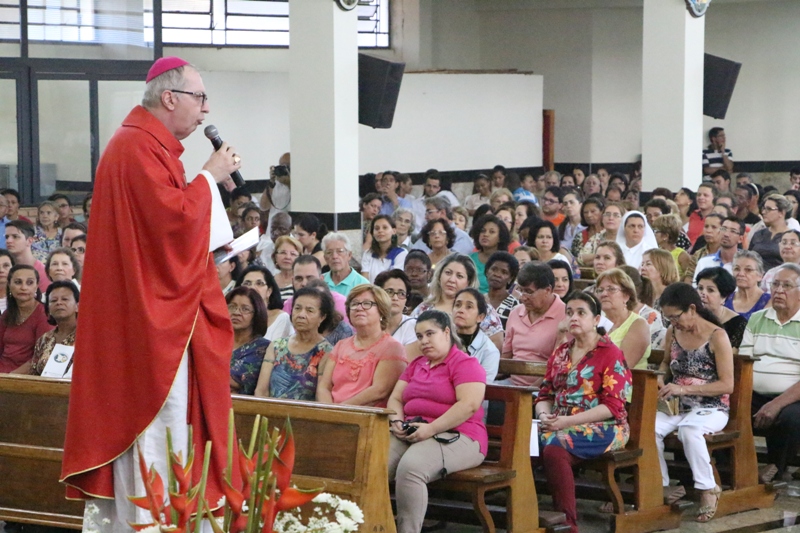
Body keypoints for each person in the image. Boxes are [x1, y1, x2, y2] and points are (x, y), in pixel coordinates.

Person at [61, 58, 243, 521]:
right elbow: (172, 224)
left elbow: (164, 233)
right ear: (170, 98)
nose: (205, 111)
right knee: (160, 425)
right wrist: (208, 176)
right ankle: (155, 524)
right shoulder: (138, 148)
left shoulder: (140, 145)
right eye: (199, 98)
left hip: (143, 309)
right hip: (150, 324)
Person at [534, 291, 632, 533]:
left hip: (607, 426)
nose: (573, 318)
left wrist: (566, 422)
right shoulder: (561, 352)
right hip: (558, 421)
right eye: (569, 313)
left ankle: (567, 524)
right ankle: (526, 515)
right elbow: (545, 394)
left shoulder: (610, 354)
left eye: (581, 313)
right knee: (521, 443)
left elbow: (612, 407)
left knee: (556, 448)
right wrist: (545, 414)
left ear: (596, 319)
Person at [387, 309, 487, 533]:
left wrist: (431, 429)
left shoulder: (465, 364)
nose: (424, 341)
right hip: (412, 431)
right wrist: (396, 422)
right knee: (373, 463)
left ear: (446, 332)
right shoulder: (416, 365)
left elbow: (468, 405)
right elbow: (395, 398)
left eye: (430, 334)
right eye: (419, 336)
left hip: (460, 435)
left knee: (411, 469)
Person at [655, 283, 733, 522]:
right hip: (677, 404)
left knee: (689, 432)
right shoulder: (673, 332)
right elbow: (666, 363)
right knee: (647, 429)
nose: (672, 322)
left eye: (675, 317)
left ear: (691, 309)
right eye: (667, 318)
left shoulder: (716, 336)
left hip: (712, 405)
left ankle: (708, 488)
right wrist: (660, 377)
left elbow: (727, 384)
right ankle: (660, 486)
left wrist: (683, 387)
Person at [740, 264, 800, 483]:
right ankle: (733, 468)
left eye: (787, 285)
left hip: (793, 397)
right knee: (725, 410)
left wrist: (776, 404)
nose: (779, 291)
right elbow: (744, 364)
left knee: (790, 418)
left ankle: (777, 468)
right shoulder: (757, 319)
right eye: (775, 284)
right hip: (754, 392)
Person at [317, 284, 407, 406]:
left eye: (367, 303)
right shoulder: (341, 345)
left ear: (381, 311)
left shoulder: (392, 348)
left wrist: (341, 411)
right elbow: (324, 386)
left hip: (367, 418)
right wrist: (329, 412)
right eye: (354, 304)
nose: (359, 308)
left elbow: (379, 391)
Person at [410, 254, 505, 353]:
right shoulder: (423, 309)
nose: (451, 280)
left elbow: (496, 343)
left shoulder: (483, 309)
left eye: (459, 276)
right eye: (448, 273)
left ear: (468, 282)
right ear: (439, 276)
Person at [254, 286, 335, 400]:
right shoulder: (277, 346)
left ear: (322, 317)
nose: (301, 315)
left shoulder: (326, 351)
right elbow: (261, 390)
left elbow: (321, 395)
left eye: (309, 310)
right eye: (297, 308)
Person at [501, 261, 566, 386]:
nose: (523, 297)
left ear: (548, 290)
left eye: (529, 292)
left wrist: (529, 392)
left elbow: (560, 365)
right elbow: (506, 359)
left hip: (547, 387)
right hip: (511, 384)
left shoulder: (565, 316)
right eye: (520, 290)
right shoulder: (515, 313)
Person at [0, 264, 53, 373]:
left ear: (37, 285)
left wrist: (9, 378)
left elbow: (40, 357)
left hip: (23, 379)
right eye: (18, 282)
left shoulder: (44, 315)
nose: (24, 287)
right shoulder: (7, 314)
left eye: (29, 283)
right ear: (9, 285)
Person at [596, 268, 650, 369]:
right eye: (600, 290)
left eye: (611, 289)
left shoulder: (639, 325)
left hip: (625, 382)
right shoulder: (596, 322)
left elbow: (621, 367)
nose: (603, 294)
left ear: (626, 296)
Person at [29, 280, 79, 376]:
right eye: (53, 300)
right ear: (49, 309)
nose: (59, 303)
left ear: (77, 306)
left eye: (65, 299)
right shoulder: (44, 339)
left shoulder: (87, 338)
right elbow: (33, 375)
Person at [227, 287, 270, 395]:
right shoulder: (215, 341)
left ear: (256, 314)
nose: (237, 312)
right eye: (232, 307)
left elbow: (236, 380)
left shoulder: (263, 348)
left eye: (245, 309)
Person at [453, 288, 500, 381]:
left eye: (469, 307)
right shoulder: (443, 340)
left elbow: (484, 386)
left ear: (480, 317)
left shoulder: (489, 351)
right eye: (457, 305)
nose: (460, 310)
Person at [236, 265, 292, 341]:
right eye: (247, 283)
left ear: (269, 291)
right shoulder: (234, 316)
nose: (252, 288)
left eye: (259, 283)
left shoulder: (280, 318)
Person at [696, 267, 747, 350]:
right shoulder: (689, 317)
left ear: (724, 297)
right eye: (700, 288)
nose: (703, 294)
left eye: (710, 290)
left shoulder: (738, 325)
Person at [375, 269, 421, 360]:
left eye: (401, 293)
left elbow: (406, 364)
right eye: (389, 292)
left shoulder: (414, 326)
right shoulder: (371, 324)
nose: (395, 298)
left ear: (406, 299)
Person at [620, 265, 665, 350]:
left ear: (628, 291)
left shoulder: (650, 316)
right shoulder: (604, 313)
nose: (605, 294)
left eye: (611, 289)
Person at [693, 216, 743, 283]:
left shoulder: (744, 264)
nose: (726, 234)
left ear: (740, 239)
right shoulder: (704, 262)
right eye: (723, 229)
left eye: (733, 231)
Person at [469, 214, 510, 293]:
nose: (485, 234)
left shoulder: (506, 262)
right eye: (483, 231)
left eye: (491, 232)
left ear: (500, 237)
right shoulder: (469, 259)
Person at [749, 193, 791, 271]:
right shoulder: (758, 234)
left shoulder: (792, 236)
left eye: (769, 209)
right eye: (764, 208)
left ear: (781, 212)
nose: (764, 212)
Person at [6, 220, 50, 294]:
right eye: (7, 237)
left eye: (15, 237)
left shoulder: (43, 272)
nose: (8, 241)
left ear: (29, 241)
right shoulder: (4, 269)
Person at [361, 215, 409, 283]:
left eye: (385, 228)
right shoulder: (368, 254)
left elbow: (395, 281)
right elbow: (364, 282)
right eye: (377, 228)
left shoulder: (401, 253)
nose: (380, 231)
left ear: (394, 231)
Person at [725, 250, 770, 320]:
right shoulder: (725, 299)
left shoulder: (770, 301)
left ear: (760, 276)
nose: (741, 274)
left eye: (748, 270)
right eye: (737, 269)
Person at [322, 232, 369, 297]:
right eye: (329, 252)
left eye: (340, 251)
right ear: (325, 258)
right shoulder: (320, 281)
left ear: (349, 255)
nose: (334, 256)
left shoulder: (362, 284)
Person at [579, 202, 625, 268]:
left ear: (623, 220)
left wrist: (596, 257)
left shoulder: (628, 239)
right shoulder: (595, 238)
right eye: (607, 214)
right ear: (602, 219)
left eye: (616, 215)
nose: (611, 218)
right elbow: (581, 259)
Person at [484, 251, 520, 328]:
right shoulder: (478, 300)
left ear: (511, 278)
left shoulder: (515, 306)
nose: (497, 274)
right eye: (494, 269)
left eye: (504, 272)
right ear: (487, 271)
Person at [685, 213, 724, 283]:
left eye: (714, 227)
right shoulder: (698, 254)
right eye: (706, 226)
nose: (708, 231)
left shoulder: (727, 254)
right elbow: (689, 277)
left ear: (723, 230)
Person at [652, 214, 691, 281]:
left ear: (665, 236)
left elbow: (688, 276)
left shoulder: (682, 255)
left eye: (655, 231)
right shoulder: (655, 252)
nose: (653, 234)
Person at [572, 197, 604, 266]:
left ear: (601, 212)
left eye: (593, 211)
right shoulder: (579, 236)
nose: (589, 215)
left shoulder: (608, 233)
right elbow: (575, 259)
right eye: (585, 212)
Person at [272, 235, 302, 300]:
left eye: (293, 254)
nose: (287, 257)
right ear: (275, 256)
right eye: (283, 253)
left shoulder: (303, 282)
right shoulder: (269, 280)